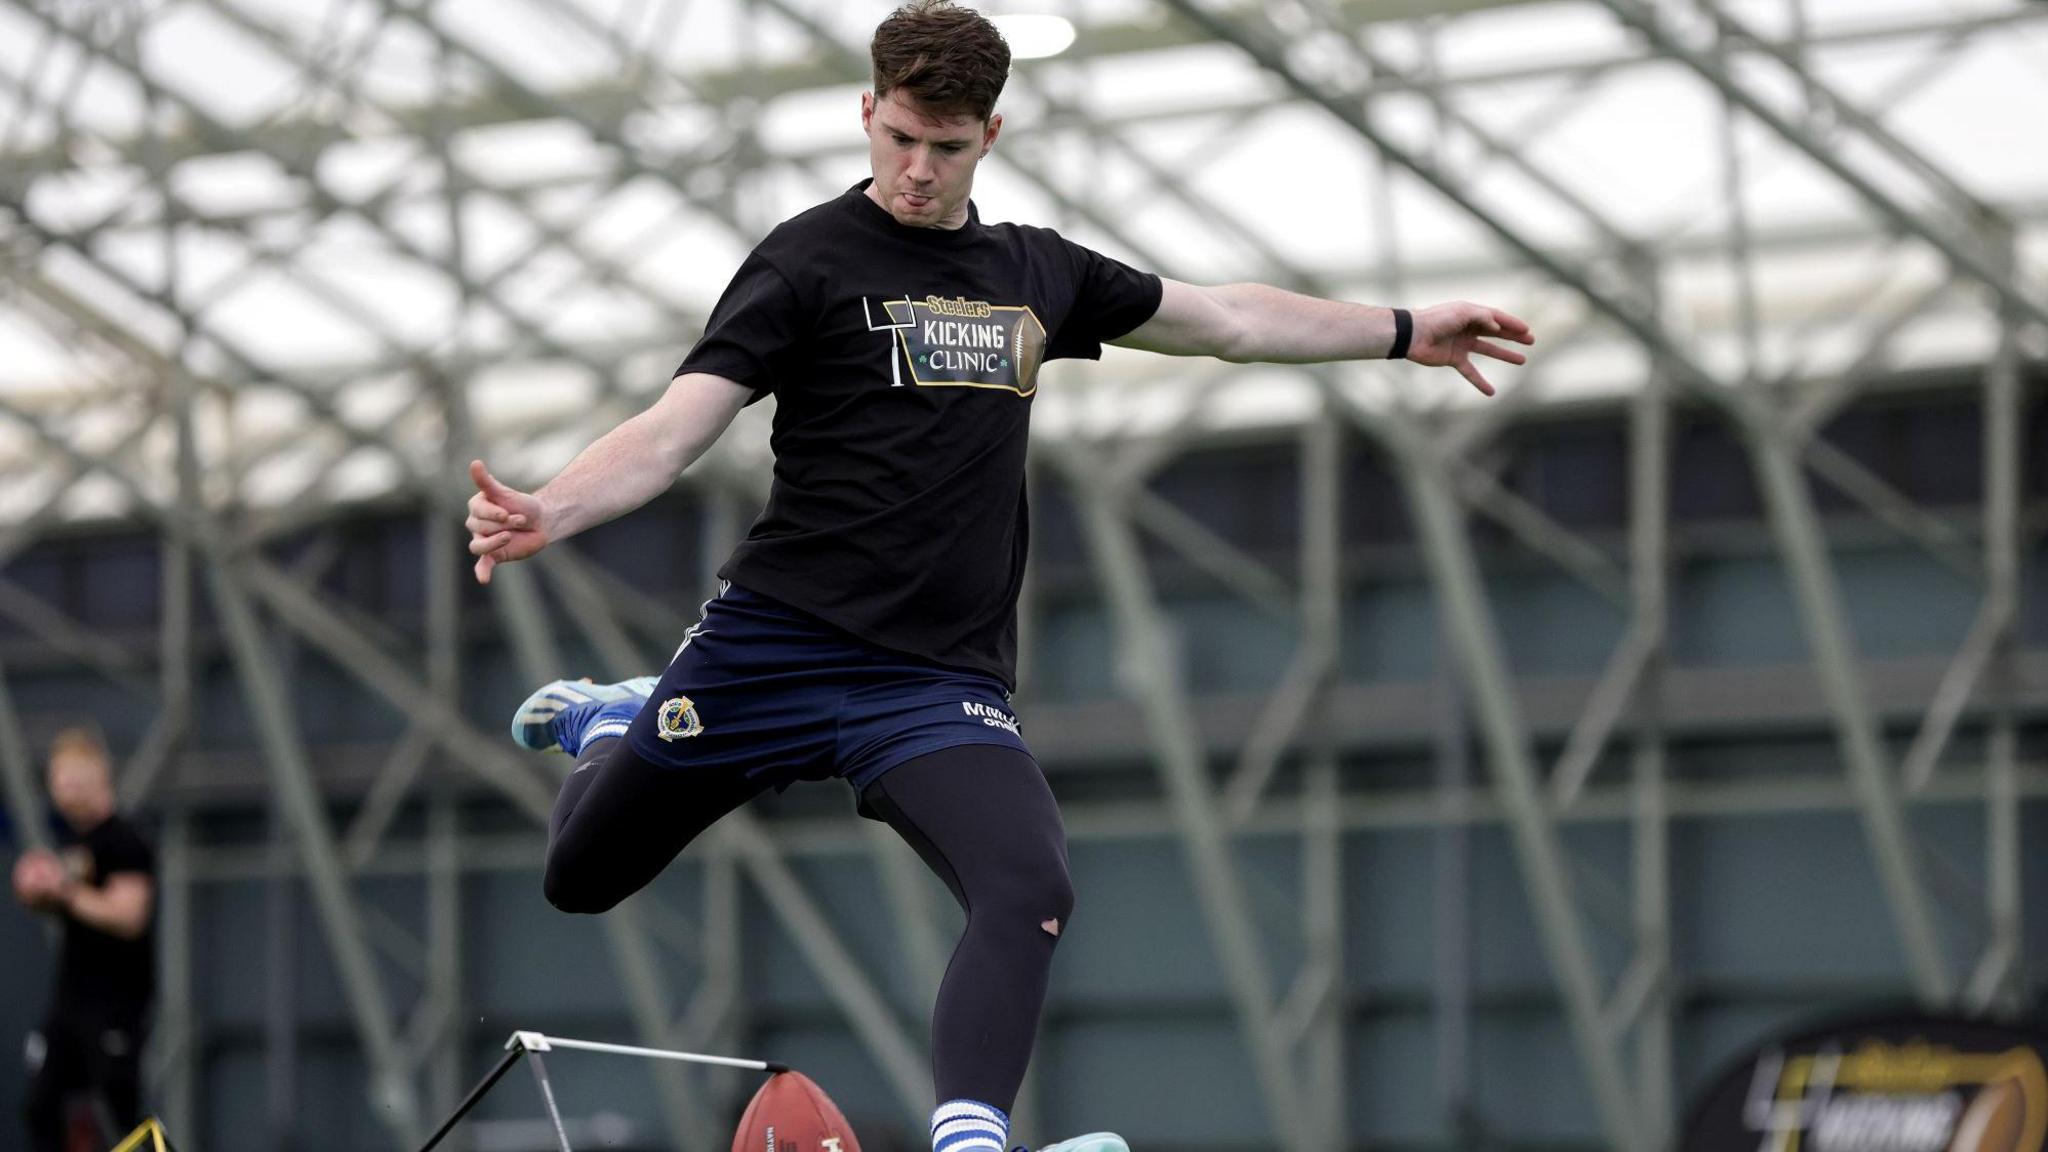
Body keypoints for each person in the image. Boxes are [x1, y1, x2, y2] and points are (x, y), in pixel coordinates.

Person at [465, 4, 1533, 1149]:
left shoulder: (1036, 272)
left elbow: (1225, 319)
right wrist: (553, 506)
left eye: (948, 147)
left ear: (993, 135)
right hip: (769, 647)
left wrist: (1403, 326)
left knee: (1029, 888)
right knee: (579, 878)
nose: (917, 172)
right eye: (900, 140)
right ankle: (611, 731)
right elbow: (679, 427)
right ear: (866, 114)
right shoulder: (804, 261)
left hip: (927, 683)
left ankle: (967, 1135)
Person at [12, 726, 155, 1151]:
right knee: (40, 1105)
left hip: (115, 1003)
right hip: (69, 1001)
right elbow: (56, 901)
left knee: (119, 1109)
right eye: (58, 776)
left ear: (100, 774)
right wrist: (34, 890)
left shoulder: (125, 841)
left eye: (74, 774)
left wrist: (64, 892)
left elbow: (129, 915)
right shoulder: (71, 843)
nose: (64, 785)